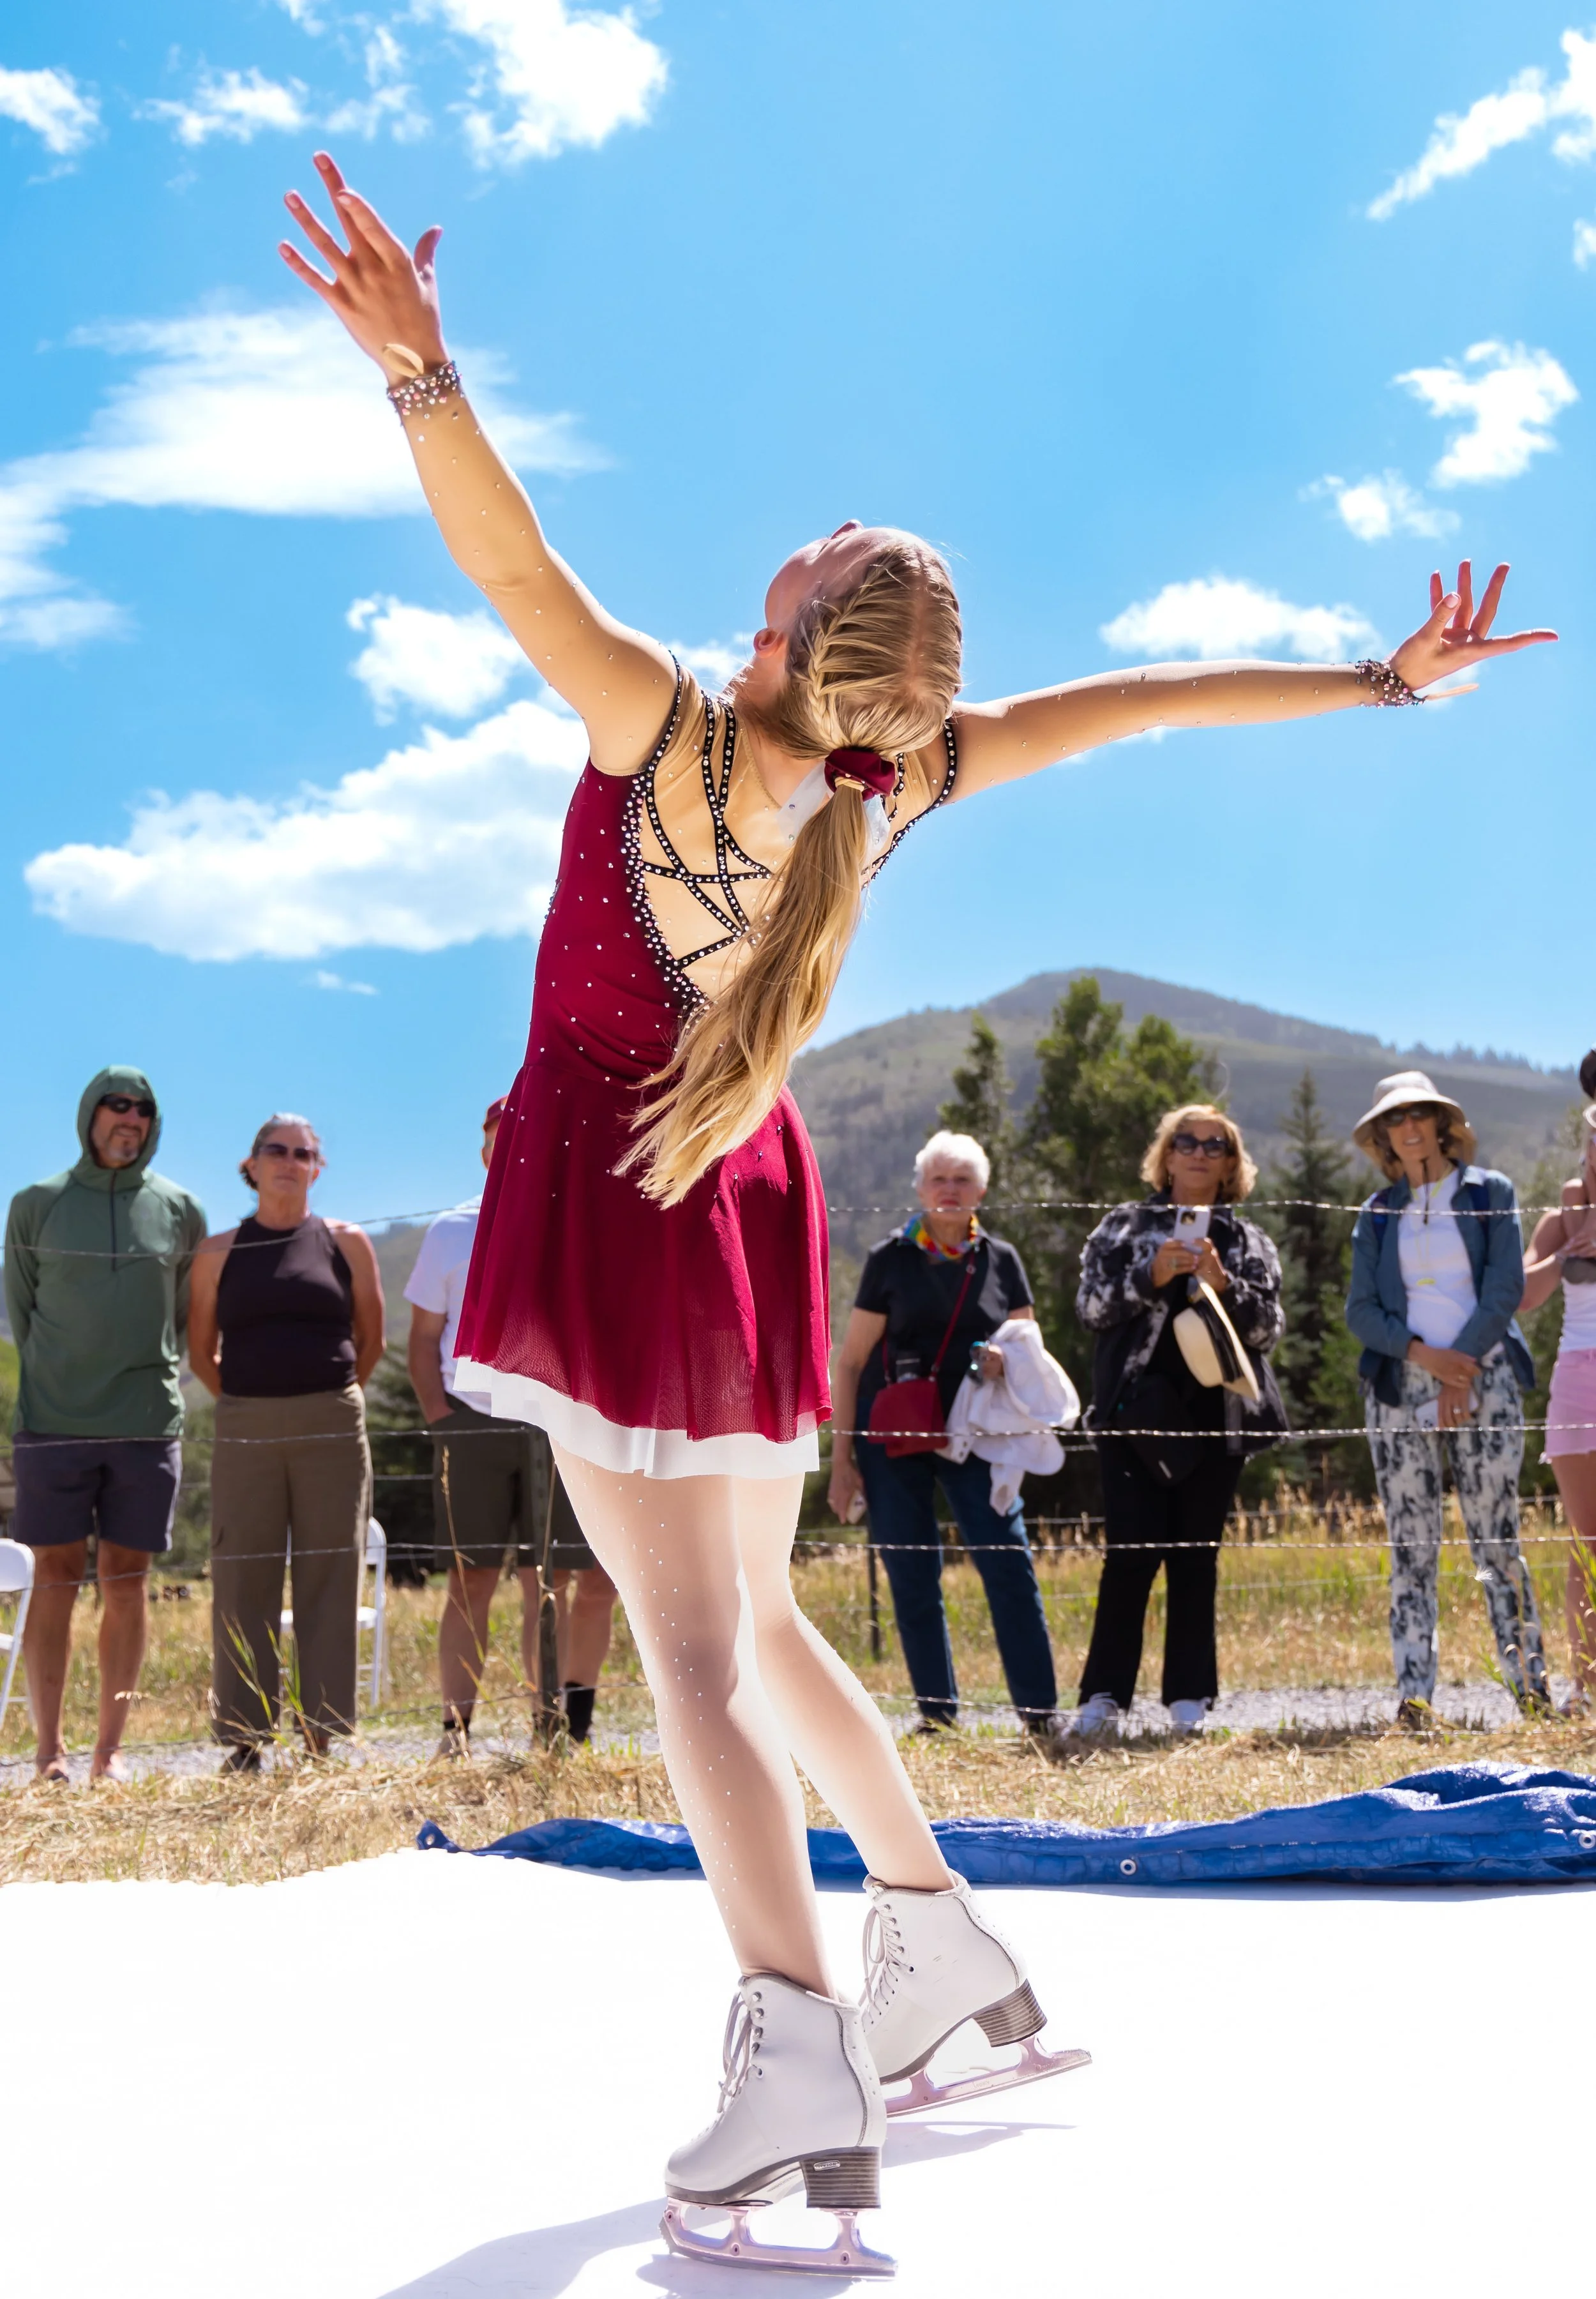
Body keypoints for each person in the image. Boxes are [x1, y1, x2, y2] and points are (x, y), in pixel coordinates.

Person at [280, 145, 1552, 2273]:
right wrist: (1379, 687)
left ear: (792, 630)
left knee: (691, 1646)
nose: (790, 538)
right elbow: (1143, 702)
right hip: (749, 1183)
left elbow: (513, 575)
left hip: (631, 1181)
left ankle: (792, 2071)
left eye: (813, 548)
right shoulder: (897, 786)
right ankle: (941, 1952)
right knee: (755, 1625)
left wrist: (424, 377)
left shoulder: (672, 739)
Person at [4, 1067, 206, 1783]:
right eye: (116, 1106)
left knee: (127, 1581)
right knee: (55, 1578)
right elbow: (21, 1312)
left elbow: (186, 1312)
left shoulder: (181, 1208)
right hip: (53, 1421)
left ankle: (109, 1753)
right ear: (89, 1114)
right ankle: (50, 1752)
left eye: (143, 1109)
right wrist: (64, 1372)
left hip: (146, 1422)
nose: (130, 1118)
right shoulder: (36, 1204)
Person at [830, 1130, 1060, 1743]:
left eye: (962, 1179)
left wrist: (1000, 1362)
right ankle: (937, 1715)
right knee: (911, 1572)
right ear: (921, 1189)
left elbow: (1026, 1351)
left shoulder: (1001, 1260)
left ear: (981, 1189)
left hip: (977, 1434)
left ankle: (1039, 1714)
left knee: (1008, 1561)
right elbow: (849, 1361)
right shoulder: (890, 1259)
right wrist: (842, 1460)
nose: (950, 1190)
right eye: (939, 1179)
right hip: (894, 1434)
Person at [405, 1096, 618, 1754]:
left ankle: (555, 1729)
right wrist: (442, 1421)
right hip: (472, 1424)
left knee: (549, 1580)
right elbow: (421, 1338)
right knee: (469, 1581)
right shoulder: (449, 1231)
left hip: (554, 1426)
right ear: (486, 1149)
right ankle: (456, 1732)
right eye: (505, 1135)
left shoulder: (576, 1224)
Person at [1074, 1107, 1285, 1738]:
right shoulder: (1122, 1225)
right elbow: (1089, 1307)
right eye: (1185, 1142)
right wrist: (1151, 1274)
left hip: (1214, 1419)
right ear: (1165, 1157)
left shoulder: (1248, 1241)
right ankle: (1103, 1698)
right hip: (1131, 1418)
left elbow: (1268, 1329)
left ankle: (1189, 1700)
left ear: (1229, 1163)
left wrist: (1224, 1283)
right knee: (1128, 1557)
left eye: (1213, 1144)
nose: (1198, 1152)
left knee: (1196, 1558)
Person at [1346, 1071, 1548, 1726]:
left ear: (1440, 1124)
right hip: (1399, 1391)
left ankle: (1531, 1691)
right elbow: (1361, 1312)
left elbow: (1504, 1289)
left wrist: (1457, 1371)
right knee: (1411, 1548)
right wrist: (1422, 1357)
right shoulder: (1376, 1215)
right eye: (1394, 1121)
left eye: (1419, 1116)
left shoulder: (1490, 1193)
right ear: (1382, 1137)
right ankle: (1414, 1701)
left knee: (1496, 1541)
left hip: (1483, 1381)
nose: (1408, 1130)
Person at [186, 1115, 385, 1767]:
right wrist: (249, 1405)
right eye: (276, 1149)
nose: (289, 1160)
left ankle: (322, 1735)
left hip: (332, 1421)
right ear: (251, 1164)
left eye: (304, 1153)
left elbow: (370, 1338)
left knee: (330, 1571)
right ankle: (244, 1739)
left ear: (316, 1169)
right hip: (245, 1422)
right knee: (244, 1575)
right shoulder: (218, 1250)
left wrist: (327, 1399)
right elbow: (200, 1351)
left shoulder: (347, 1242)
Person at [1516, 1048, 1596, 1714]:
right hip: (1577, 1379)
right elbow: (1522, 1295)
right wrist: (1572, 1246)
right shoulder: (1561, 1215)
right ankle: (1588, 1684)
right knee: (1585, 1539)